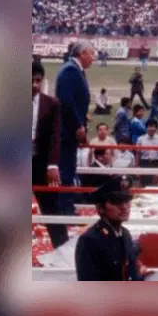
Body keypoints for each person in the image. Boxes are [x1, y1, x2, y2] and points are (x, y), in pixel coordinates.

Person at [74, 176, 152, 281]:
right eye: (117, 202)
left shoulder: (125, 234)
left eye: (126, 201)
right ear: (101, 208)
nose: (124, 207)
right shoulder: (90, 240)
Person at [32, 60, 69, 249]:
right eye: (31, 80)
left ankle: (63, 252)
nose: (35, 85)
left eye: (38, 80)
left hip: (41, 164)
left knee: (52, 209)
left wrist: (52, 165)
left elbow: (55, 136)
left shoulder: (52, 104)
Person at [55, 42, 94, 213]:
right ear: (83, 53)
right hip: (68, 131)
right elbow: (66, 100)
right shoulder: (71, 70)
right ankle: (65, 208)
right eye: (92, 54)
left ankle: (66, 206)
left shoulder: (75, 70)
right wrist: (78, 125)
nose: (93, 58)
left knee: (69, 169)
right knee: (66, 170)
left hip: (70, 129)